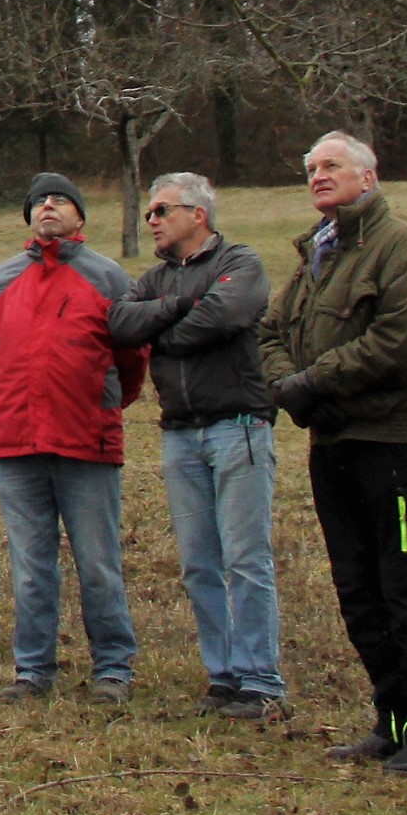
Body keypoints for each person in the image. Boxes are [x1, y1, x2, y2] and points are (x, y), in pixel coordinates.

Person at [261, 131, 407, 775]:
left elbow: (403, 344)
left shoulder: (402, 248)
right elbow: (270, 331)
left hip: (395, 447)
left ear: (368, 177)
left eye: (333, 166)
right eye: (311, 167)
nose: (319, 176)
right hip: (334, 445)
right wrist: (284, 385)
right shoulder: (316, 254)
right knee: (359, 591)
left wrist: (309, 384)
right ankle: (392, 719)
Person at [109, 172, 287, 719]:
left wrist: (162, 323)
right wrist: (178, 309)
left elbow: (226, 314)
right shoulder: (153, 278)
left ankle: (261, 681)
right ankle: (224, 675)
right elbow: (119, 322)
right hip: (180, 434)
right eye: (151, 214)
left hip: (239, 428)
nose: (153, 221)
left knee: (246, 558)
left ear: (197, 214)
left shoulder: (241, 263)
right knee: (199, 564)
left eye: (162, 211)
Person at [0, 173, 148, 703]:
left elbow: (132, 358)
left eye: (60, 201)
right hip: (15, 445)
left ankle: (113, 668)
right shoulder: (1, 280)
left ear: (80, 216)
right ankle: (33, 670)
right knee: (31, 569)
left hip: (86, 443)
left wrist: (101, 405)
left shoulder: (108, 277)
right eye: (38, 202)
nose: (48, 208)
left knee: (97, 564)